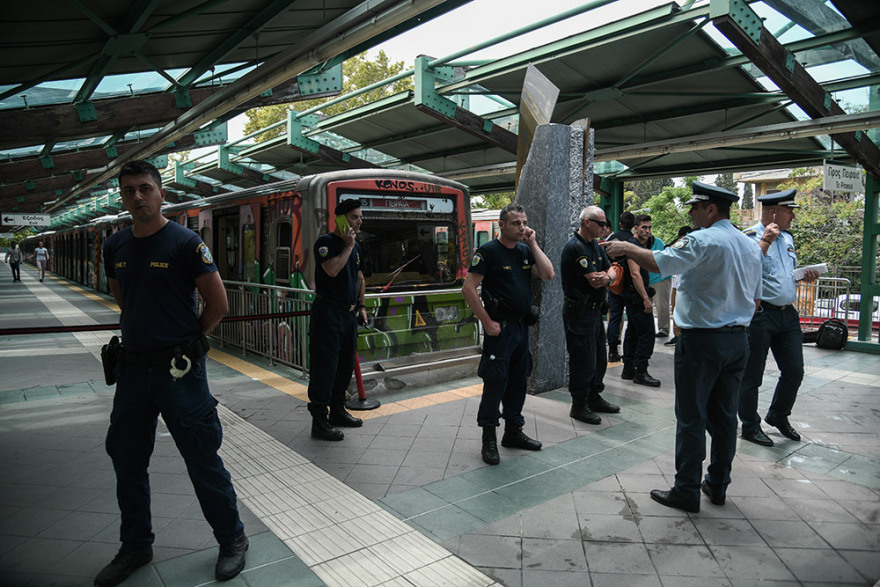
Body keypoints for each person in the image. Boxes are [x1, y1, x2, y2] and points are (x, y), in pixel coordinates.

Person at [98, 160, 247, 586]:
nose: (138, 197)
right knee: (126, 460)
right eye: (129, 190)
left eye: (145, 188)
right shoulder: (116, 246)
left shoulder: (185, 243)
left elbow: (219, 306)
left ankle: (232, 539)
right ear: (123, 197)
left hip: (179, 372)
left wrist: (189, 343)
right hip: (133, 372)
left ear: (162, 193)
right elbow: (125, 302)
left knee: (201, 457)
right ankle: (136, 546)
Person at [602, 181, 762, 513]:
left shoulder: (703, 240)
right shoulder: (749, 245)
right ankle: (717, 485)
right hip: (737, 340)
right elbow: (756, 298)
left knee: (691, 416)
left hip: (703, 342)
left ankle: (687, 489)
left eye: (695, 207)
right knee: (725, 417)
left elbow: (661, 263)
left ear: (711, 209)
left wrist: (627, 248)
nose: (691, 212)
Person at [463, 203, 554, 465]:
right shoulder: (488, 252)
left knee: (518, 381)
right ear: (501, 225)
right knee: (495, 382)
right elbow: (469, 289)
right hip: (499, 329)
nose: (522, 227)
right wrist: (487, 322)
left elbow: (548, 274)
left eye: (524, 223)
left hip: (521, 328)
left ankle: (513, 431)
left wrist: (534, 244)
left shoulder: (525, 251)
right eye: (516, 223)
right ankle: (489, 438)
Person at [739, 190, 820, 447]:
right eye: (789, 210)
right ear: (774, 212)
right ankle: (750, 425)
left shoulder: (787, 238)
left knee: (795, 370)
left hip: (788, 315)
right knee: (753, 375)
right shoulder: (749, 238)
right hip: (761, 316)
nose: (793, 215)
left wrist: (802, 275)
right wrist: (765, 240)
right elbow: (745, 270)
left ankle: (778, 415)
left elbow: (781, 273)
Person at [307, 198, 368, 441]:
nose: (359, 222)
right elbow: (331, 269)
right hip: (328, 313)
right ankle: (319, 420)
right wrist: (348, 246)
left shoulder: (356, 247)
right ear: (340, 219)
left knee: (344, 367)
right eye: (355, 217)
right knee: (325, 368)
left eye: (360, 217)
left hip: (349, 315)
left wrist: (361, 305)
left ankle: (338, 411)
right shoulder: (326, 243)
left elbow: (360, 277)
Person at [561, 206, 620, 425]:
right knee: (582, 360)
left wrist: (608, 277)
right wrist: (607, 277)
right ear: (587, 222)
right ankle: (579, 405)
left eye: (605, 224)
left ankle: (594, 397)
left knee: (598, 359)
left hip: (595, 311)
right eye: (601, 223)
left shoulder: (594, 245)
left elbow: (612, 269)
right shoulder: (576, 247)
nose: (605, 228)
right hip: (580, 312)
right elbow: (593, 279)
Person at [620, 214, 660, 386]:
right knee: (647, 332)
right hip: (636, 296)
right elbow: (635, 273)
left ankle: (628, 368)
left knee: (633, 331)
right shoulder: (633, 247)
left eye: (649, 228)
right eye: (644, 227)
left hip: (633, 295)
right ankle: (641, 371)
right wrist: (646, 298)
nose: (647, 231)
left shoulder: (636, 245)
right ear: (635, 228)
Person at [605, 212, 634, 362]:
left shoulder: (612, 238)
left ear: (620, 224)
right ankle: (629, 353)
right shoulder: (634, 241)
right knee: (633, 318)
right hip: (631, 284)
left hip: (615, 283)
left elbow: (604, 257)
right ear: (633, 226)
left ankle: (612, 350)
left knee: (615, 317)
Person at [664, 226, 692, 347]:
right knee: (675, 308)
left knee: (683, 310)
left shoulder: (693, 246)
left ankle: (682, 335)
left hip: (687, 284)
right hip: (677, 282)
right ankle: (677, 334)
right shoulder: (678, 245)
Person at [649, 233, 671, 339]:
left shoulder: (659, 243)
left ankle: (664, 328)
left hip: (660, 278)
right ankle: (648, 329)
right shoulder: (639, 243)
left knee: (662, 305)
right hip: (647, 279)